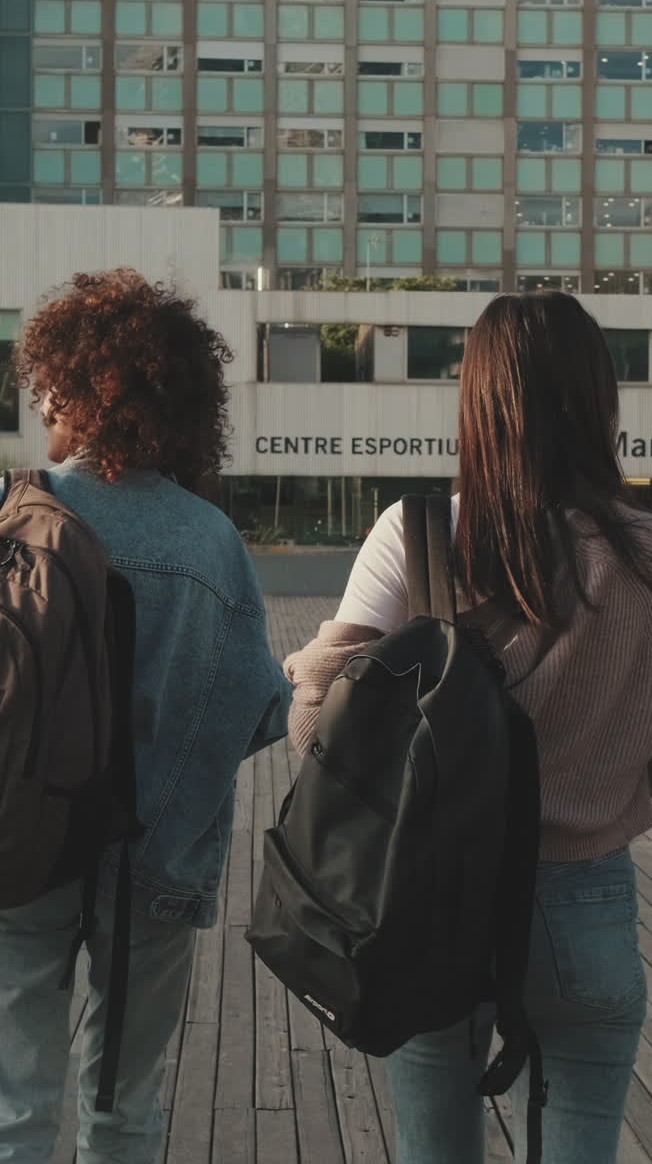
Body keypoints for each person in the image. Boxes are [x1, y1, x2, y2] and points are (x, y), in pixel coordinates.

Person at [284, 291, 652, 1164]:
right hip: (586, 898)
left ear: (476, 400)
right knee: (584, 1137)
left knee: (435, 1145)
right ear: (599, 398)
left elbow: (316, 728)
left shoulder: (418, 537)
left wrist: (311, 669)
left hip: (432, 896)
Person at [0, 269, 291, 1164]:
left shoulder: (21, 510)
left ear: (71, 388)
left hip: (25, 843)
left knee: (17, 1102)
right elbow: (260, 712)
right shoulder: (210, 540)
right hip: (156, 864)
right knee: (123, 1106)